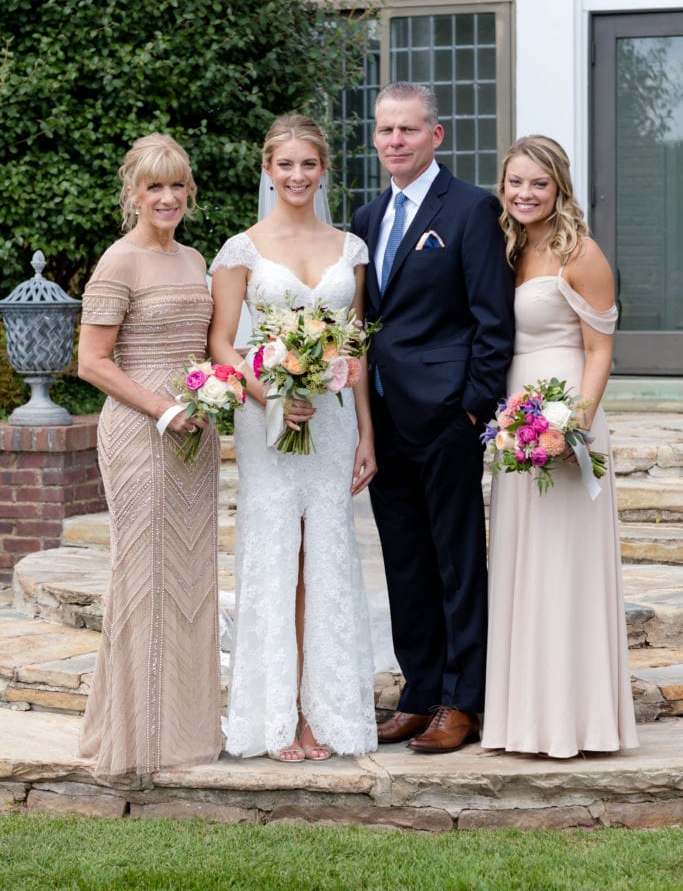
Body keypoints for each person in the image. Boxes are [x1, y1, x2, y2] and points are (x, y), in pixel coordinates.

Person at [351, 82, 515, 753]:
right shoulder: (364, 219)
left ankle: (460, 699)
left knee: (455, 560)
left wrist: (471, 406)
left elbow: (491, 321)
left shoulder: (472, 209)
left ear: (434, 136)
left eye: (408, 130)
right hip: (383, 414)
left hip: (447, 414)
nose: (395, 141)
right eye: (385, 131)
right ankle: (419, 693)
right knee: (405, 562)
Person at [208, 114, 378, 762]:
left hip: (332, 421)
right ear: (267, 169)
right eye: (285, 165)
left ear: (323, 169)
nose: (297, 176)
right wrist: (271, 393)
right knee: (277, 556)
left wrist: (366, 433)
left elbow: (355, 344)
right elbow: (222, 342)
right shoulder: (240, 249)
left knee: (327, 558)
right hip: (267, 419)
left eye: (308, 164)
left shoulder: (350, 249)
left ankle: (322, 716)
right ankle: (275, 720)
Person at [481, 134, 639, 758]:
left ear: (558, 188)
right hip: (515, 417)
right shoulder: (510, 247)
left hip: (566, 412)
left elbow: (601, 349)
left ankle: (581, 722)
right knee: (522, 558)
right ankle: (524, 720)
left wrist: (573, 425)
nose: (524, 194)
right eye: (515, 182)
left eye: (537, 184)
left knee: (566, 562)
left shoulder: (582, 253)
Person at [78, 134, 222, 777]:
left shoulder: (196, 259)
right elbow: (91, 362)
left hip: (197, 433)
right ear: (132, 194)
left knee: (191, 577)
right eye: (154, 187)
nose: (167, 198)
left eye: (177, 186)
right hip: (141, 432)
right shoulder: (119, 261)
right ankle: (136, 738)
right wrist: (162, 409)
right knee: (142, 577)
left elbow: (210, 349)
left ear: (189, 191)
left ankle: (186, 731)